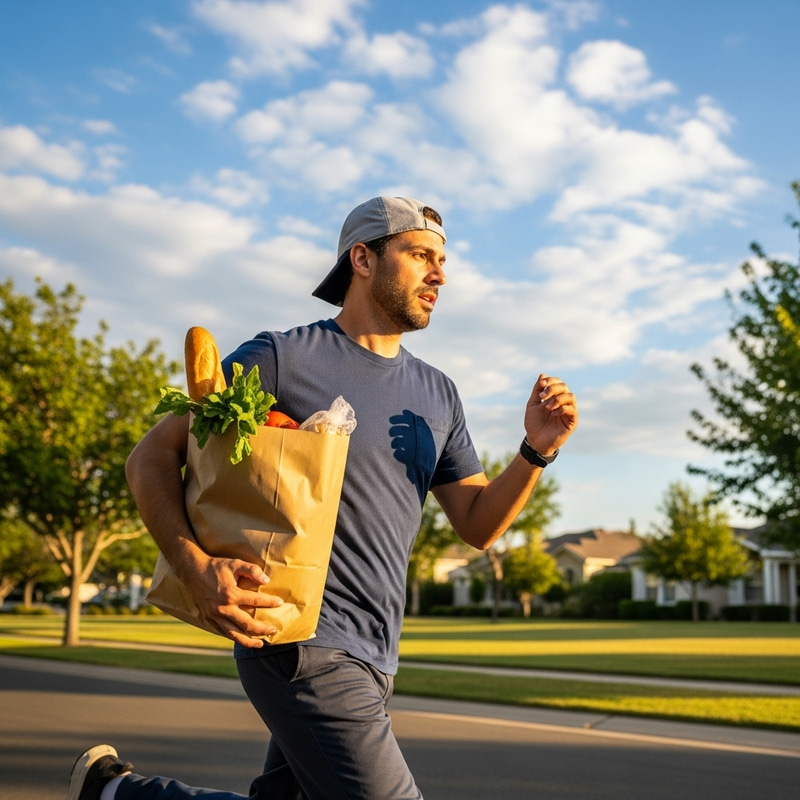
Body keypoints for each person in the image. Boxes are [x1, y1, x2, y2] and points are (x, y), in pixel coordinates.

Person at [67, 196, 578, 800]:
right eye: (421, 256)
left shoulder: (438, 394)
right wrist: (192, 564)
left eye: (442, 261)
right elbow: (150, 457)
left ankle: (116, 795)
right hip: (296, 639)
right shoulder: (283, 357)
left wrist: (535, 451)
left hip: (377, 653)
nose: (440, 274)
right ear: (363, 258)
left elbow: (476, 524)